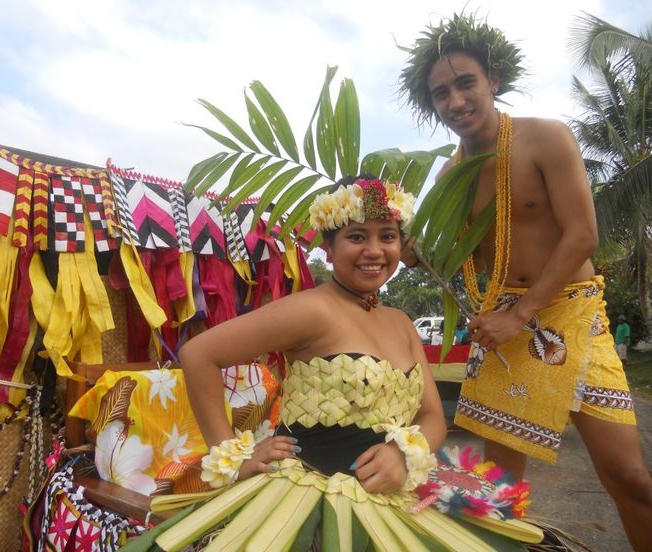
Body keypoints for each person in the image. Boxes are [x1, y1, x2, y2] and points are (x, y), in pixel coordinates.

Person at [137, 176, 545, 550]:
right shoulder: (311, 310)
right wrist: (234, 456)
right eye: (356, 237)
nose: (373, 250)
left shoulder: (402, 323)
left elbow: (432, 415)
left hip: (396, 500)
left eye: (387, 236)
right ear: (329, 249)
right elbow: (199, 355)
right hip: (303, 499)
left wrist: (403, 455)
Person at [398, 13, 652, 550]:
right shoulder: (450, 176)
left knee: (629, 478)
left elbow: (582, 236)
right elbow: (435, 255)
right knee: (500, 490)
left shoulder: (545, 138)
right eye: (441, 93)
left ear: (493, 79)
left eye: (465, 83)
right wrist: (404, 245)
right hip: (502, 329)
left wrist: (522, 313)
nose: (456, 101)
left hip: (571, 315)